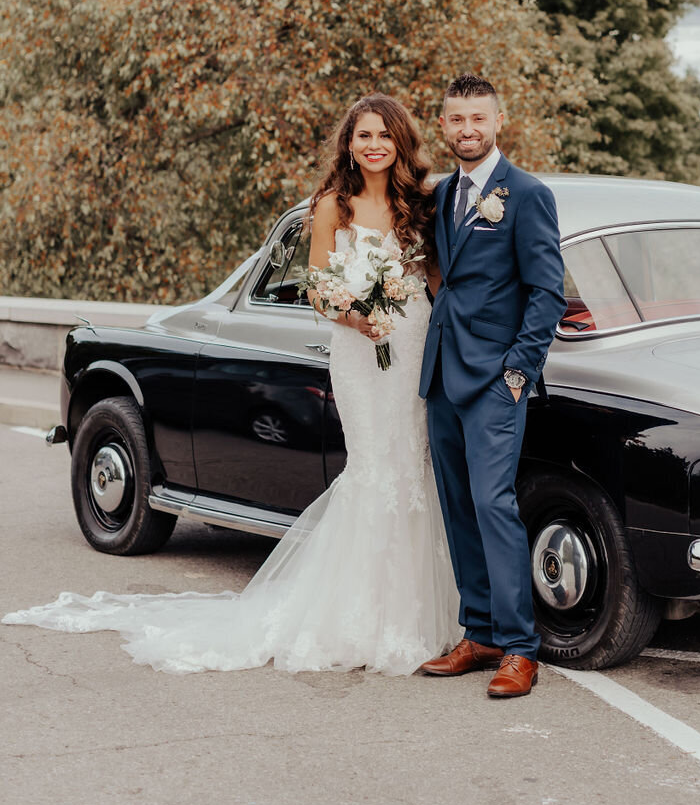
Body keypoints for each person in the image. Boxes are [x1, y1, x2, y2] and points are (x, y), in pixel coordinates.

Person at [3, 94, 461, 675]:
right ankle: (362, 620)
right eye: (363, 135)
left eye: (384, 136)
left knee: (413, 467)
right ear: (349, 143)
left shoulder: (419, 204)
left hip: (413, 343)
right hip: (357, 346)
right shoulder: (330, 207)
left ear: (401, 141)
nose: (374, 145)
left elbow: (438, 280)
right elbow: (318, 288)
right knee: (375, 467)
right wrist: (355, 314)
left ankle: (419, 617)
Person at [419, 73, 565, 699]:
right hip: (442, 376)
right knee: (457, 507)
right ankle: (477, 632)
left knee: (494, 506)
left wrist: (516, 374)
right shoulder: (444, 194)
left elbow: (547, 293)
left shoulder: (526, 195)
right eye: (456, 120)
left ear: (498, 121)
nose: (467, 130)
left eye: (478, 118)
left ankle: (518, 648)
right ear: (444, 125)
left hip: (494, 384)